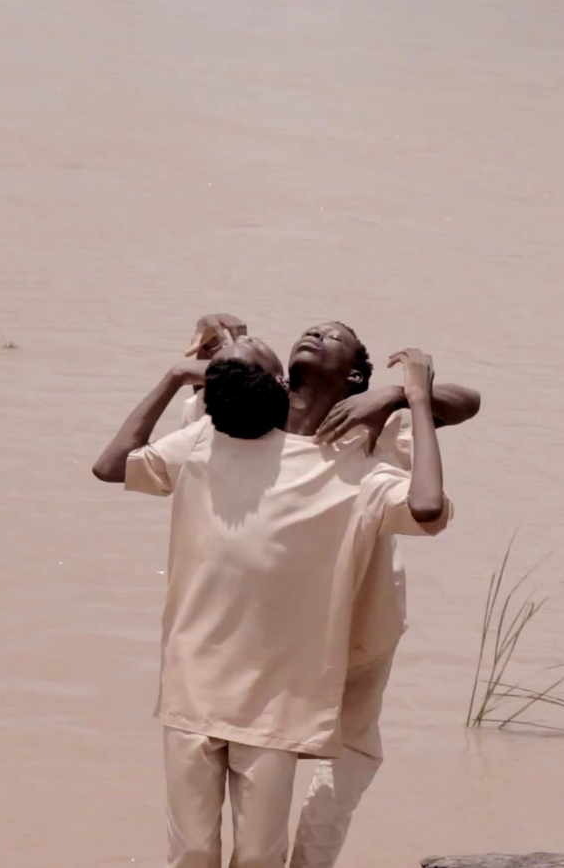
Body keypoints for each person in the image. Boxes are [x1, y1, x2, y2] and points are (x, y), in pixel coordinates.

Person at [92, 334, 453, 868]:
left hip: (277, 697)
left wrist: (410, 397)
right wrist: (173, 375)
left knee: (260, 856)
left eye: (334, 337)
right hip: (193, 681)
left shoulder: (354, 462)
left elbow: (427, 505)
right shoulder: (209, 436)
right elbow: (110, 466)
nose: (314, 337)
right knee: (190, 851)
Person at [182, 315, 482, 868]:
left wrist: (395, 396)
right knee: (252, 781)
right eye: (310, 332)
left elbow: (468, 403)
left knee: (342, 766)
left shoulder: (373, 426)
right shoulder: (249, 420)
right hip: (275, 637)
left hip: (361, 627)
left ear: (356, 378)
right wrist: (207, 347)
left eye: (335, 337)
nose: (315, 336)